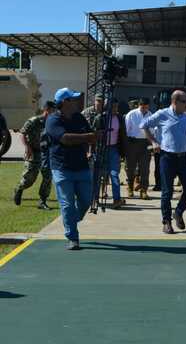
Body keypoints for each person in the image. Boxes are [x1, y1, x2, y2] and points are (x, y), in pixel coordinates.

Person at [46, 88, 99, 250]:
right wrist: (89, 137)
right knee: (67, 204)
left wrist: (92, 141)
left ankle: (70, 221)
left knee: (86, 201)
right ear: (64, 103)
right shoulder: (52, 120)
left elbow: (90, 135)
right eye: (73, 99)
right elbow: (65, 139)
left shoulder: (79, 117)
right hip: (62, 168)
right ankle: (72, 237)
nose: (77, 101)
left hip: (82, 166)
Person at [141, 90, 186, 234]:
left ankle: (178, 212)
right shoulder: (162, 114)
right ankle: (166, 222)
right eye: (185, 102)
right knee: (167, 192)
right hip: (167, 157)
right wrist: (153, 142)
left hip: (184, 158)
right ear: (175, 102)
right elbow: (144, 125)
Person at [13, 101, 56, 209]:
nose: (54, 112)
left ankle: (42, 201)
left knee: (47, 177)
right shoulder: (34, 121)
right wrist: (27, 147)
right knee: (29, 179)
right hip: (33, 152)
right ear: (47, 110)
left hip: (45, 153)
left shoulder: (52, 122)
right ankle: (19, 188)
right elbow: (23, 133)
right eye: (52, 110)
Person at [93, 100, 127, 209]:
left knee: (114, 174)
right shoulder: (100, 118)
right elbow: (93, 134)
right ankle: (95, 199)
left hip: (114, 149)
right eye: (113, 107)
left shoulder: (120, 118)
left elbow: (122, 135)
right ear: (107, 107)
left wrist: (123, 151)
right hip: (101, 149)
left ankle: (116, 200)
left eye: (116, 107)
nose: (115, 109)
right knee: (99, 175)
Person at [124, 97, 152, 199]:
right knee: (130, 168)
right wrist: (127, 145)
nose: (143, 108)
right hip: (132, 142)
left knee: (145, 168)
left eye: (145, 106)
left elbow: (152, 131)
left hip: (145, 143)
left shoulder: (150, 115)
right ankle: (130, 188)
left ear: (148, 106)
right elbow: (126, 130)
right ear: (139, 105)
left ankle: (144, 190)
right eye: (141, 106)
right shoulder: (131, 114)